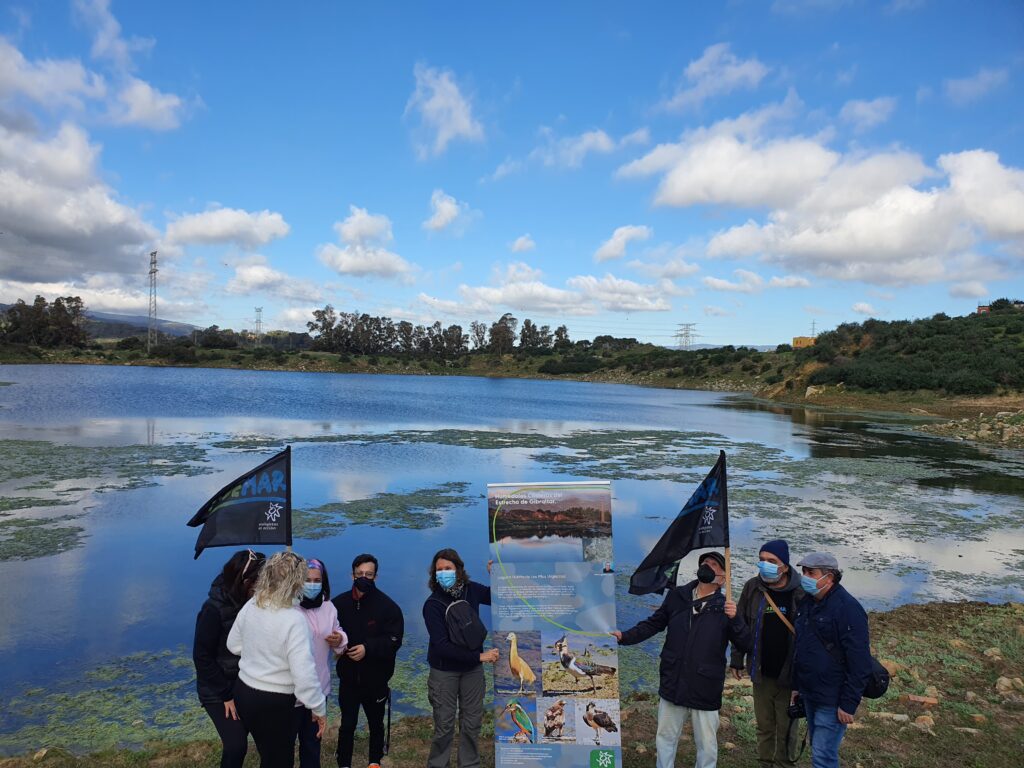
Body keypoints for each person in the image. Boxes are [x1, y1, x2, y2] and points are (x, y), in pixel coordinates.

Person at [612, 551, 751, 768]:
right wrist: (624, 636)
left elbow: (745, 644)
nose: (708, 566)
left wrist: (735, 620)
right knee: (665, 738)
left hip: (705, 685)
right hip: (673, 680)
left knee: (706, 744)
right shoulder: (679, 596)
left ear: (724, 577)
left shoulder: (727, 607)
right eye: (705, 562)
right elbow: (654, 623)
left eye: (715, 564)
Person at [227, 551, 328, 768]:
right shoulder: (294, 620)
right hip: (275, 702)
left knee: (268, 754)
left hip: (245, 692)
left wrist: (260, 655)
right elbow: (304, 675)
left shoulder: (253, 604)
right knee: (280, 760)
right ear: (296, 583)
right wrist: (319, 708)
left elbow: (233, 645)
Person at [790, 552, 872, 768]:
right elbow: (802, 649)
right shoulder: (807, 603)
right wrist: (797, 686)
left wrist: (848, 704)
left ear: (829, 577)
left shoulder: (848, 609)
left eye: (811, 573)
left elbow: (860, 662)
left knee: (823, 755)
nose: (805, 576)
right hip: (810, 692)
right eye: (804, 572)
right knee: (818, 748)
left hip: (832, 697)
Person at [730, 540, 804, 768]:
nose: (765, 565)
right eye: (762, 560)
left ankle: (784, 764)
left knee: (787, 728)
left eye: (772, 561)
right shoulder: (753, 587)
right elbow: (740, 624)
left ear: (784, 566)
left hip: (790, 676)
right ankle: (764, 763)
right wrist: (736, 659)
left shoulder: (801, 592)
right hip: (760, 672)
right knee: (764, 726)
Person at [423, 548, 498, 768]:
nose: (443, 573)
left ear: (458, 570)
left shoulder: (471, 590)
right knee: (444, 725)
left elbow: (498, 597)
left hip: (472, 672)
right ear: (434, 574)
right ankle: (438, 764)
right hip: (444, 672)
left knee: (472, 722)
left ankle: (469, 764)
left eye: (448, 568)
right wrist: (479, 656)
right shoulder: (432, 605)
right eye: (439, 570)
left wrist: (498, 575)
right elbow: (442, 646)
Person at [193, 549, 265, 768]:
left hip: (247, 683)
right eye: (259, 582)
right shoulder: (213, 609)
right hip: (218, 690)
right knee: (236, 745)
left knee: (270, 742)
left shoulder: (254, 605)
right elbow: (202, 657)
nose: (262, 587)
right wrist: (225, 695)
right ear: (245, 581)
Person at [332, 553, 405, 768]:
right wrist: (337, 641)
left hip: (376, 679)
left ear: (376, 576)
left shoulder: (388, 607)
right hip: (348, 679)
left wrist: (368, 648)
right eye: (360, 574)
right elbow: (329, 632)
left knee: (376, 724)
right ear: (352, 574)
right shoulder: (338, 604)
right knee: (347, 724)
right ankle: (344, 763)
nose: (364, 577)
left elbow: (394, 640)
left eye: (369, 574)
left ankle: (374, 761)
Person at [294, 558, 348, 768]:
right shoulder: (288, 609)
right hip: (290, 693)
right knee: (283, 747)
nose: (312, 584)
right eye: (307, 580)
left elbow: (339, 637)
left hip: (318, 690)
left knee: (311, 744)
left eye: (317, 580)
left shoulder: (329, 608)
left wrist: (340, 639)